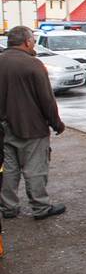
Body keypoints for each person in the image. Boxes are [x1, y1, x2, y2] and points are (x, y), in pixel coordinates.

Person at [0, 26, 66, 220]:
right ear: (27, 41)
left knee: (10, 169)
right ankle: (40, 207)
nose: (34, 44)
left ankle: (9, 208)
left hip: (4, 128)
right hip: (32, 127)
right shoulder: (33, 64)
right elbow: (46, 99)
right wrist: (56, 123)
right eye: (33, 41)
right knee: (35, 169)